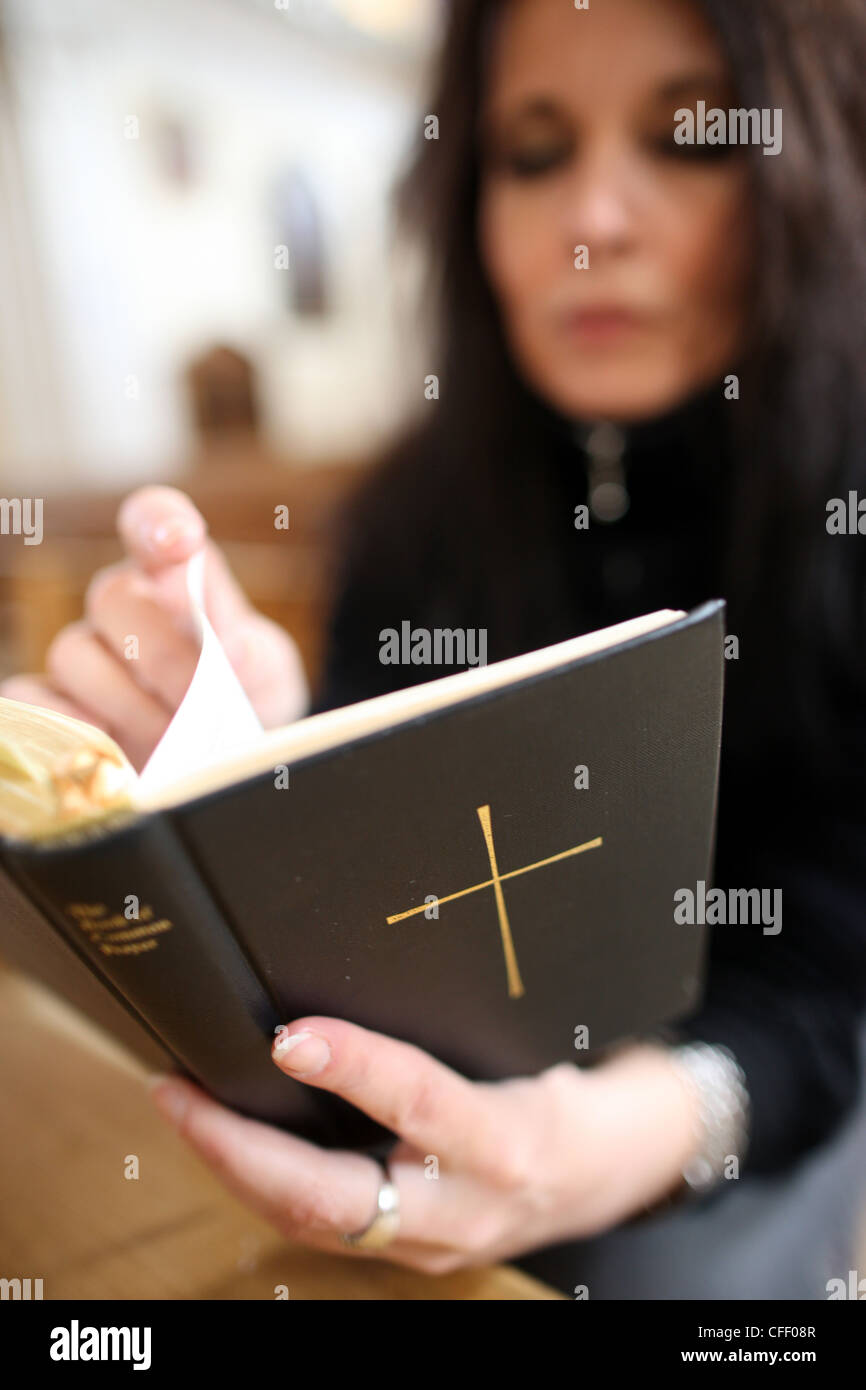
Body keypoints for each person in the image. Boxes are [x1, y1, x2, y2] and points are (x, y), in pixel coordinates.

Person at [4, 0, 865, 1297]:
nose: (591, 219)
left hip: (749, 1087)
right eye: (532, 151)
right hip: (450, 1087)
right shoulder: (414, 512)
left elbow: (833, 967)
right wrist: (252, 758)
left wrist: (622, 1134)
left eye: (688, 137)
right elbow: (404, 908)